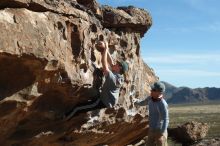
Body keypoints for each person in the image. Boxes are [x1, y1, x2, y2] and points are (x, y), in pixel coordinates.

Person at [65, 40, 128, 120]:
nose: (115, 63)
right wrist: (105, 48)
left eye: (117, 64)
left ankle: (64, 118)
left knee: (78, 107)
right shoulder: (117, 73)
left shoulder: (115, 79)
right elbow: (110, 61)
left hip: (104, 101)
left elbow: (104, 63)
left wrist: (105, 49)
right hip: (108, 97)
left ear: (119, 68)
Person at [134, 81, 169, 146]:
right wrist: (136, 102)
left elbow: (165, 119)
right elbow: (143, 102)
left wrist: (162, 132)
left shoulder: (163, 104)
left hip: (160, 129)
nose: (151, 91)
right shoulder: (150, 98)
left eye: (153, 90)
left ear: (159, 92)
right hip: (152, 127)